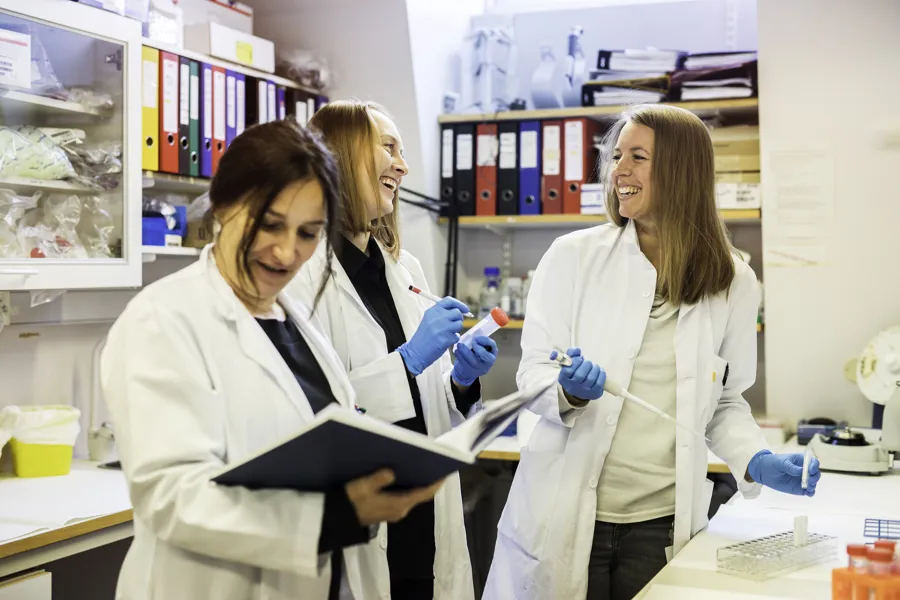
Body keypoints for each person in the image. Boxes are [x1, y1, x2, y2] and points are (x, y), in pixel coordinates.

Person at [483, 104, 821, 600]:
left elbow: (724, 402)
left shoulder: (733, 281)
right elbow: (532, 372)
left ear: (682, 172)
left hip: (660, 524)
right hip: (565, 513)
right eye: (617, 156)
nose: (618, 171)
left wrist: (757, 459)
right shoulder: (572, 258)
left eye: (637, 157)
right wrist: (568, 393)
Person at [101, 120, 444, 600]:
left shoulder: (294, 319)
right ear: (223, 206)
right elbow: (173, 497)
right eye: (270, 224)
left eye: (308, 232)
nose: (287, 252)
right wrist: (338, 513)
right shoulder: (163, 320)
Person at [287, 99, 496, 600]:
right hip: (358, 521)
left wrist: (461, 381)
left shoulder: (407, 272)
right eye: (388, 148)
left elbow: (430, 406)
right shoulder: (301, 277)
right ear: (340, 153)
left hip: (420, 520)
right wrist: (407, 361)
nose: (402, 165)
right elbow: (310, 416)